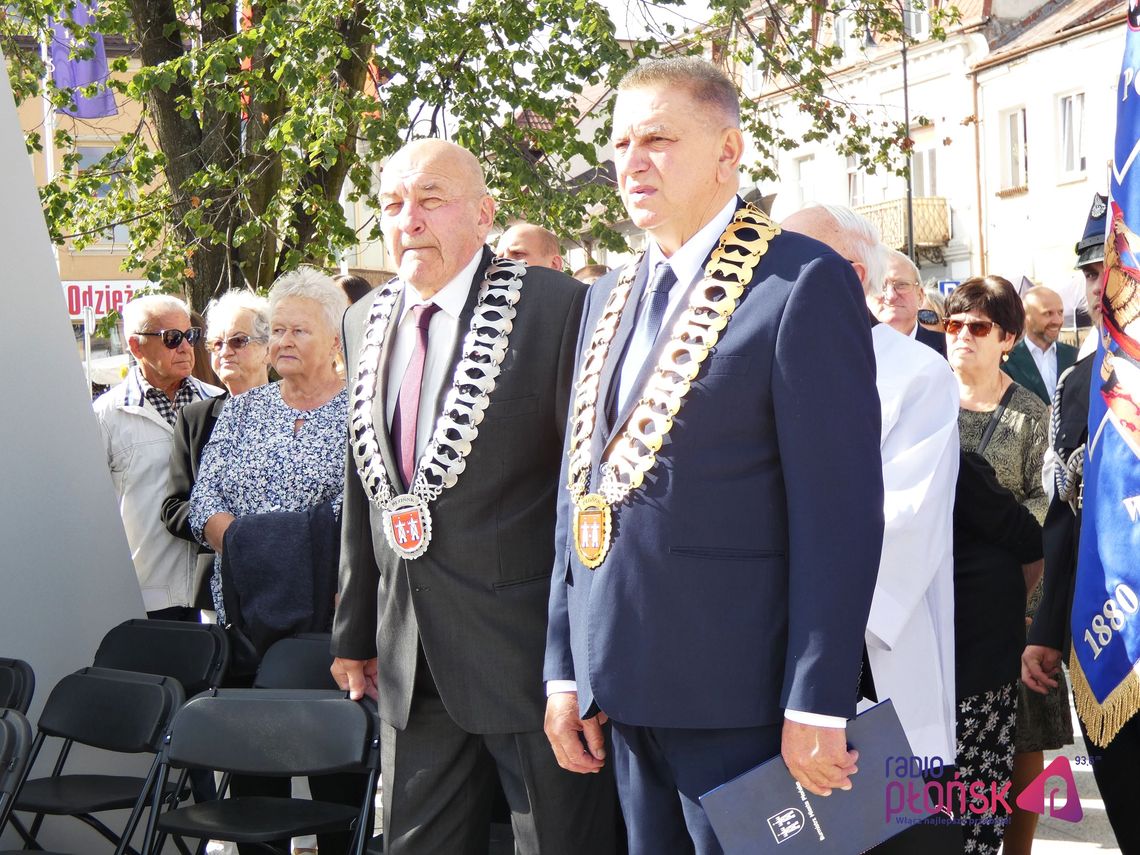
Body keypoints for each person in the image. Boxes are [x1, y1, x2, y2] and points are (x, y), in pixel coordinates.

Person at [543, 58, 884, 854]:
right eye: (620, 141)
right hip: (622, 691)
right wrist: (566, 668)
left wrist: (819, 699)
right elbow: (579, 496)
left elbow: (839, 516)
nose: (631, 160)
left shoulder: (801, 282)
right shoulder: (607, 294)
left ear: (728, 151)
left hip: (746, 700)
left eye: (658, 139)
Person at [331, 138, 616, 855]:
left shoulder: (558, 308)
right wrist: (355, 630)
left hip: (528, 661)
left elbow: (587, 494)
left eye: (430, 199)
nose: (408, 220)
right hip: (409, 655)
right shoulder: (366, 319)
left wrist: (582, 656)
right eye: (393, 204)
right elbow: (364, 490)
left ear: (484, 213)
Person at [782, 207, 960, 853]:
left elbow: (903, 520)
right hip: (767, 657)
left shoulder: (916, 373)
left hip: (866, 658)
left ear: (849, 274)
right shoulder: (763, 358)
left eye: (789, 258)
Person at [189, 268, 352, 854]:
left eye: (299, 330)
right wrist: (252, 543)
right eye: (276, 329)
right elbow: (203, 502)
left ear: (336, 339)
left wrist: (253, 539)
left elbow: (354, 518)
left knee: (340, 775)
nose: (282, 341)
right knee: (255, 776)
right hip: (244, 619)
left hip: (332, 621)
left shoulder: (363, 410)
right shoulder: (241, 411)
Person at [1022, 194, 1140, 852]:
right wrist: (1044, 628)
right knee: (1125, 793)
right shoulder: (1076, 382)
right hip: (1107, 632)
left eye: (1114, 268)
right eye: (1092, 272)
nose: (1101, 286)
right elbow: (1064, 518)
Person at [945, 275, 1071, 855]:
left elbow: (1045, 513)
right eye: (953, 324)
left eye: (978, 327)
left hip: (1018, 606)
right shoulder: (927, 398)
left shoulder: (1031, 414)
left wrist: (1030, 619)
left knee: (1023, 741)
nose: (962, 337)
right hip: (944, 608)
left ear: (1008, 340)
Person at [94, 294, 222, 619]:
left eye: (190, 335)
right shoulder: (106, 416)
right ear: (137, 347)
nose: (185, 347)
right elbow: (93, 512)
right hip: (145, 595)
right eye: (171, 338)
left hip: (213, 593)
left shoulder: (221, 404)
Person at [161, 289, 271, 614]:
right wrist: (219, 528)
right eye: (216, 344)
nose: (225, 352)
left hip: (290, 578)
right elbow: (174, 505)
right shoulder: (195, 419)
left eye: (238, 341)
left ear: (268, 348)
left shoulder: (299, 412)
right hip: (217, 587)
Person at [1002, 285, 1078, 405]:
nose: (1057, 320)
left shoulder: (1076, 356)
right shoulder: (1007, 362)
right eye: (1048, 313)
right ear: (1026, 317)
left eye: (1060, 312)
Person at [871, 247, 946, 356]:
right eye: (879, 286)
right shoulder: (848, 350)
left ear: (920, 296)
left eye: (901, 285)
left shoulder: (949, 350)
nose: (891, 296)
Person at [494, 222, 565, 270]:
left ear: (554, 265)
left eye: (518, 254)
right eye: (499, 258)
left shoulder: (573, 291)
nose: (504, 262)